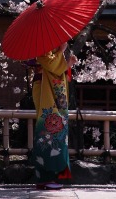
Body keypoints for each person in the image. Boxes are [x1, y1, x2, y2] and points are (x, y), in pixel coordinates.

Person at [32, 42, 77, 190]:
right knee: (48, 130)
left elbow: (57, 67)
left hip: (55, 92)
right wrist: (62, 52)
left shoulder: (52, 47)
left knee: (58, 132)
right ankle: (46, 177)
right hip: (46, 90)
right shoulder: (42, 46)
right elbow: (51, 66)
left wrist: (67, 63)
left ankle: (54, 176)